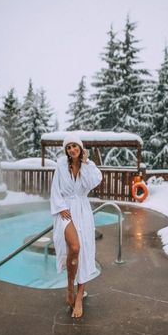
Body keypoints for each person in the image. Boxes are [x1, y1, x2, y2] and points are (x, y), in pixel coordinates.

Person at [50, 134, 102, 318]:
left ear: (80, 148)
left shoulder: (89, 166)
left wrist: (86, 164)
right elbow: (55, 190)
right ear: (66, 150)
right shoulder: (61, 167)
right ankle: (70, 287)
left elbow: (92, 183)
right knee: (74, 246)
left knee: (84, 251)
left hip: (82, 209)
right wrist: (61, 207)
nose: (72, 149)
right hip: (65, 210)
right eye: (69, 147)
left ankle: (78, 296)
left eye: (75, 146)